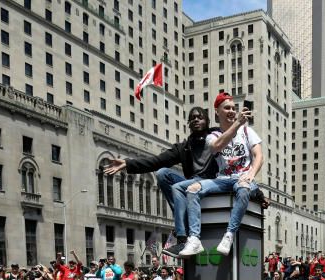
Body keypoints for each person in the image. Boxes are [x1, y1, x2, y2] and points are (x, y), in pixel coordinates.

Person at [102, 107, 218, 257]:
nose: (196, 119)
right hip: (192, 184)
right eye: (193, 117)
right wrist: (128, 163)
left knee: (178, 187)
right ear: (188, 123)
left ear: (207, 121)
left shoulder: (217, 138)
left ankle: (182, 238)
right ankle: (183, 221)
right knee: (162, 173)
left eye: (200, 117)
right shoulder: (184, 147)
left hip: (211, 183)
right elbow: (156, 161)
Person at [180, 92, 263, 257]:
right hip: (222, 179)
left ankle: (229, 235)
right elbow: (217, 146)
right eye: (227, 108)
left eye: (234, 108)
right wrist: (237, 124)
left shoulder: (247, 131)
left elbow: (259, 155)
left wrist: (251, 173)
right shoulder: (212, 135)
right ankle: (194, 239)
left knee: (244, 187)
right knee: (192, 189)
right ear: (217, 111)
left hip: (243, 179)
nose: (232, 111)